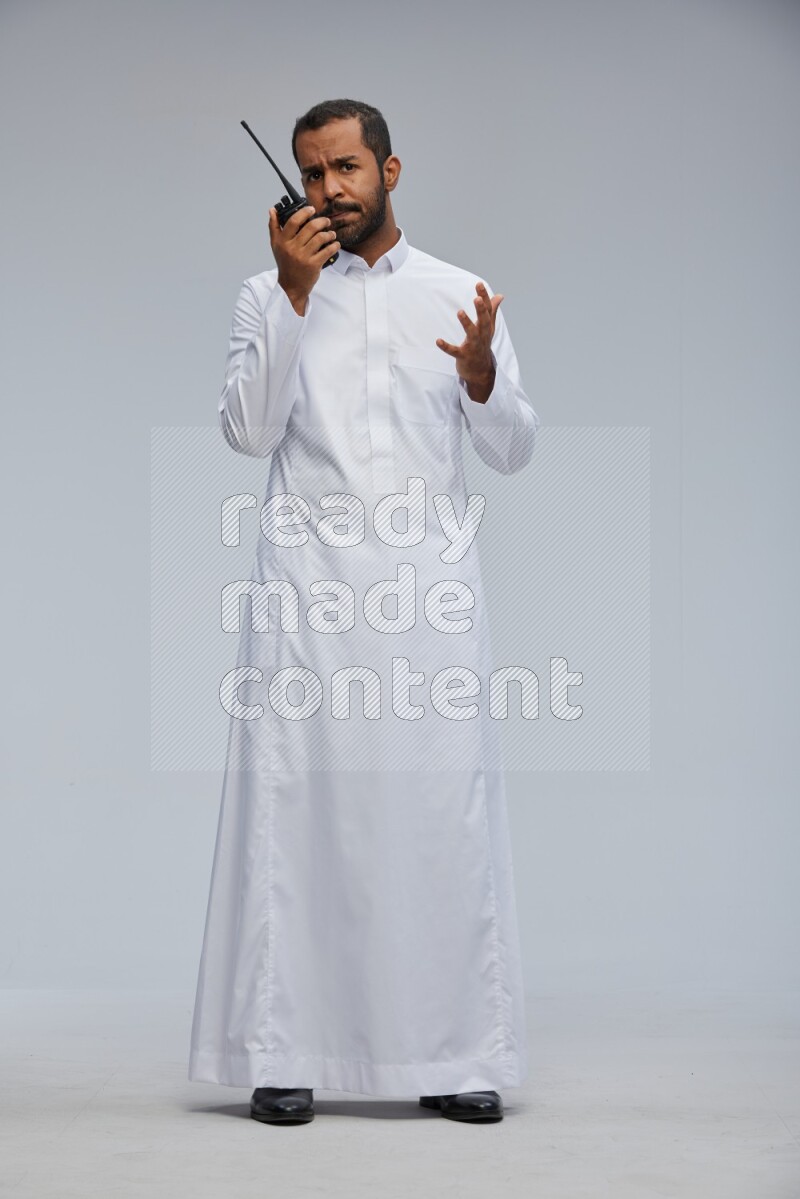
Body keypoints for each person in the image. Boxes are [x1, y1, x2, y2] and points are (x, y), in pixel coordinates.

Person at [189, 98, 540, 1126]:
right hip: (305, 594)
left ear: (391, 168)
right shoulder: (266, 293)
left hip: (426, 598)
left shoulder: (460, 292)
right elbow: (248, 435)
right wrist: (297, 300)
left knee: (439, 818)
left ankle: (454, 1050)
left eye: (346, 167)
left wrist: (480, 378)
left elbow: (512, 448)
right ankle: (283, 1049)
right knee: (296, 818)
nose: (329, 190)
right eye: (311, 173)